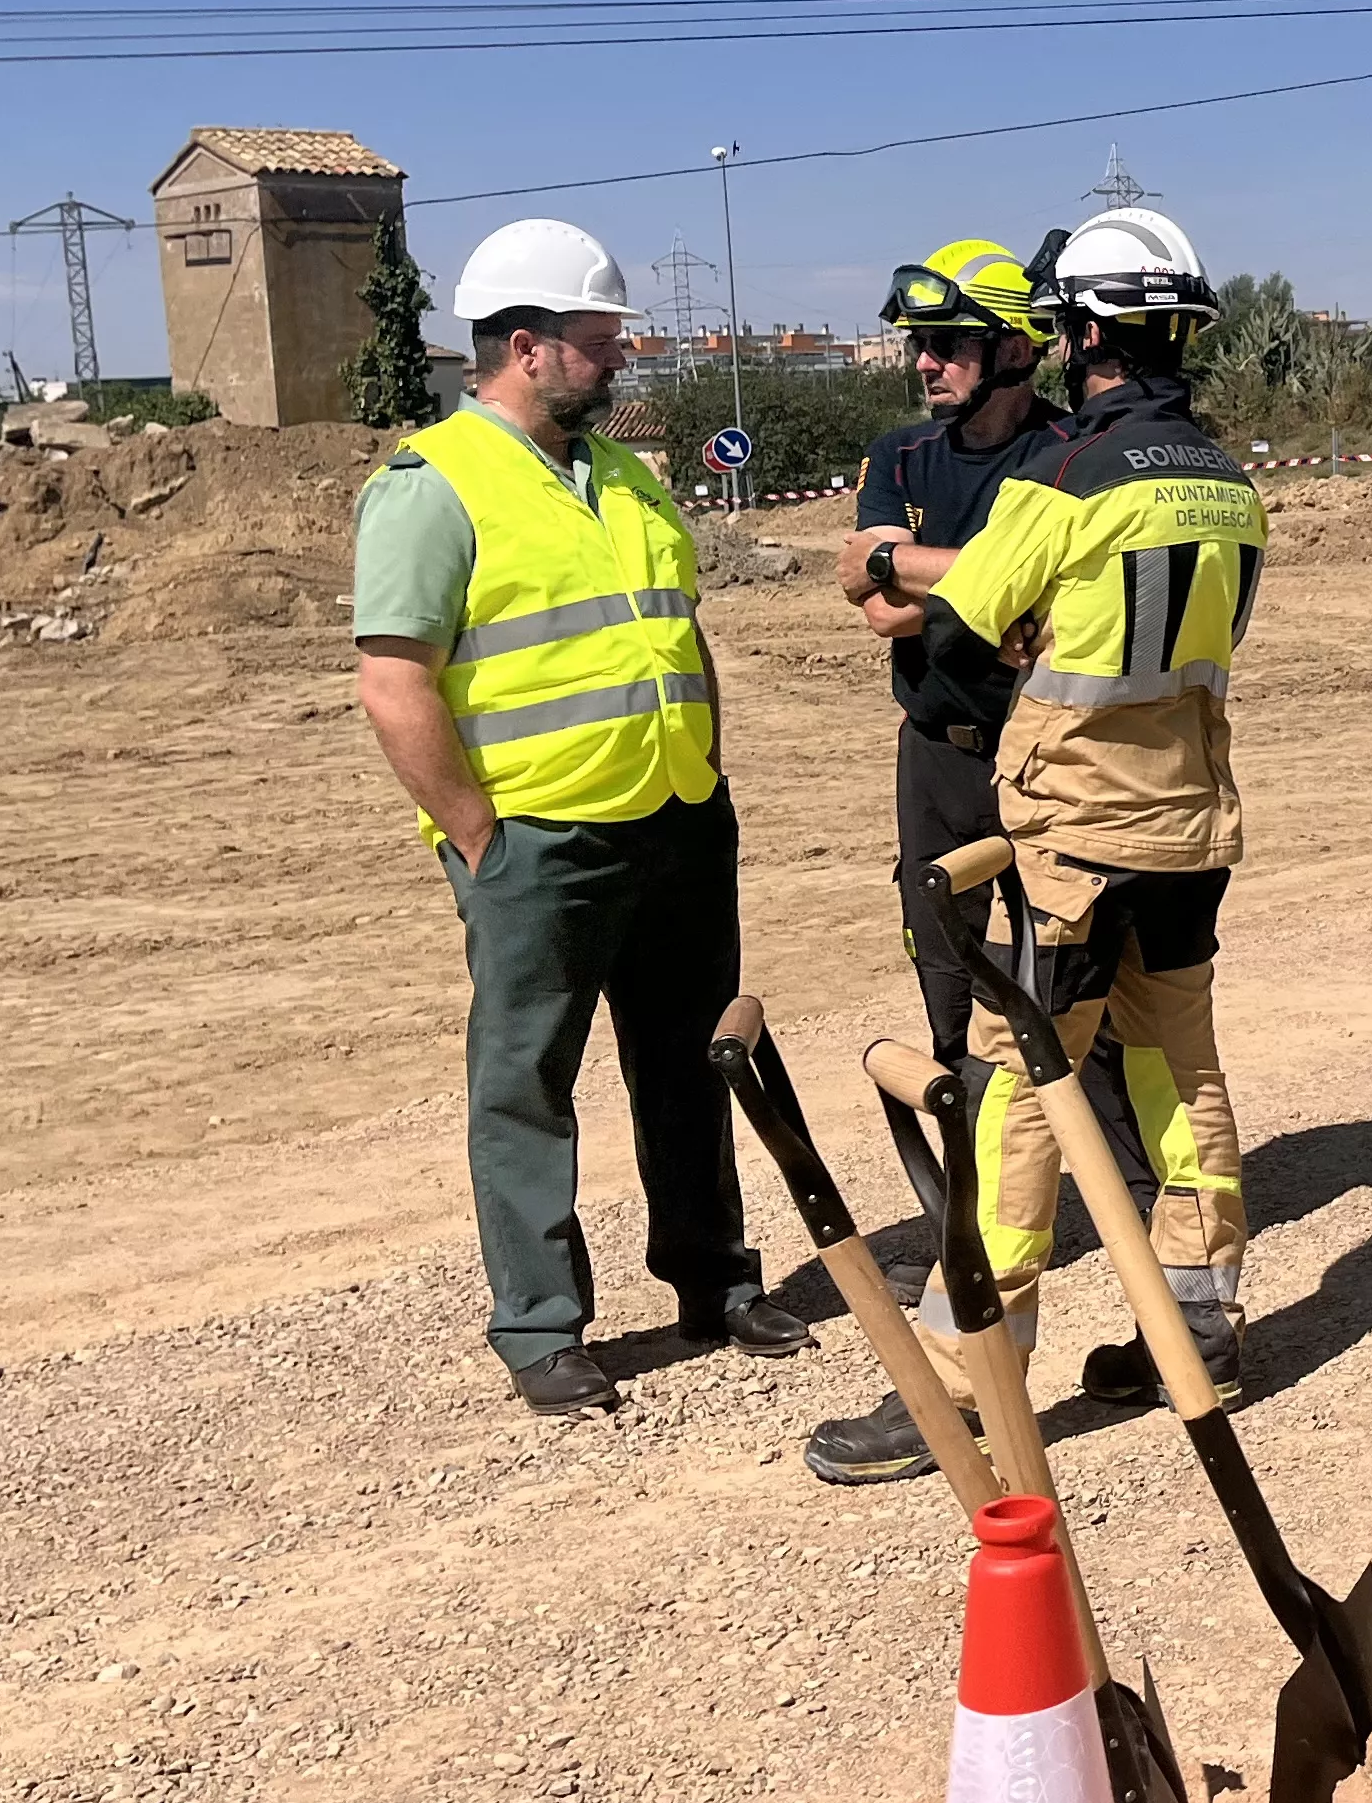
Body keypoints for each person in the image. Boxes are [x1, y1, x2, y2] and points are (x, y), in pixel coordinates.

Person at [349, 215, 806, 1416]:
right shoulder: (429, 486)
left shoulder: (623, 475)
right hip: (542, 843)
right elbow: (394, 681)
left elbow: (675, 631)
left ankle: (714, 1279)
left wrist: (705, 774)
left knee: (690, 1063)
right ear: (524, 346)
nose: (620, 364)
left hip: (677, 819)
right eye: (601, 345)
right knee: (526, 1084)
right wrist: (481, 839)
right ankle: (542, 1326)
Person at [851, 208, 1265, 1412]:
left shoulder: (1064, 480)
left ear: (1078, 333)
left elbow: (963, 611)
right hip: (1191, 819)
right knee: (1181, 1067)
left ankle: (965, 1377)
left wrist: (886, 564)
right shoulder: (1232, 487)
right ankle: (1203, 1324)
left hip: (1073, 832)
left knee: (1014, 1091)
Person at [801, 236, 1160, 1484]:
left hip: (1046, 754)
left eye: (950, 343)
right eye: (919, 344)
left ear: (1017, 346)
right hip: (940, 752)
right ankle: (981, 1221)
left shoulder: (1062, 452)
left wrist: (933, 580)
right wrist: (968, 587)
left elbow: (1035, 608)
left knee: (1074, 1001)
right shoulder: (899, 456)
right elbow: (877, 599)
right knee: (954, 1002)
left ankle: (1116, 1225)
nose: (928, 364)